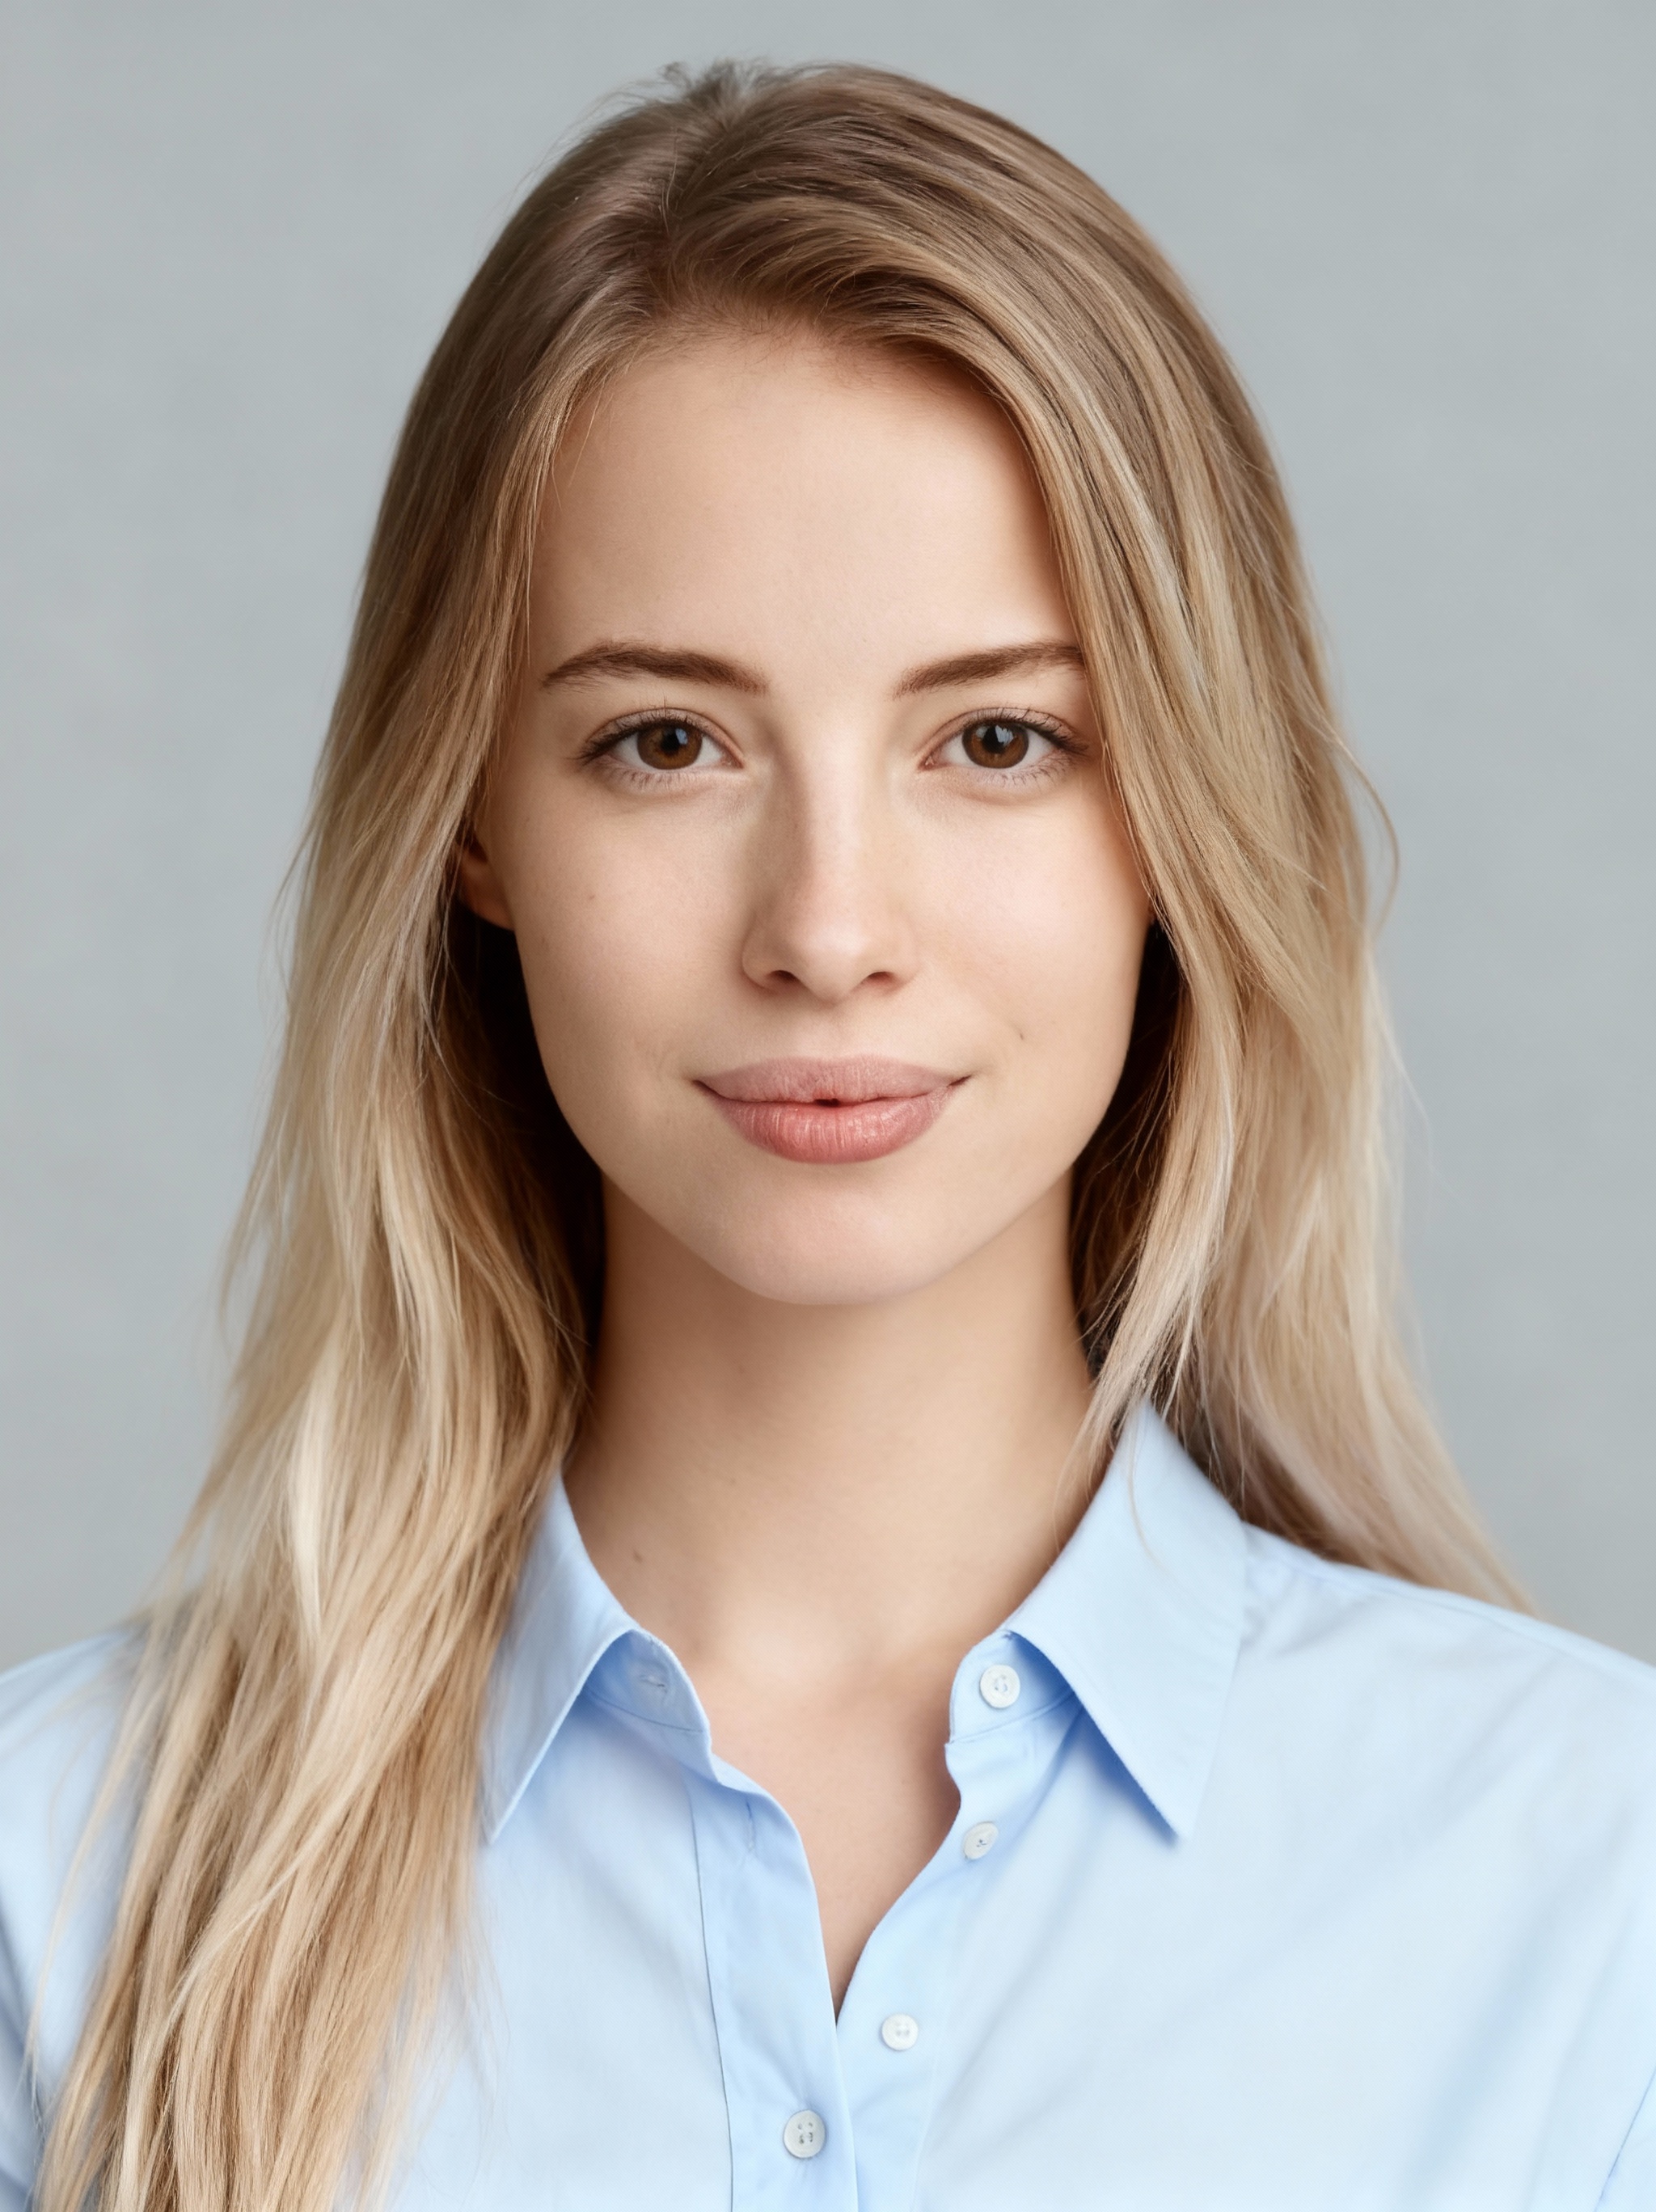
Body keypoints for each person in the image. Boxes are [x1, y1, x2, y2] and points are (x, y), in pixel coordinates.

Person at [2, 59, 1653, 2212]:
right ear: (474, 824)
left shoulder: (1587, 1888)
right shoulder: (65, 1897)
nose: (831, 930)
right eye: (666, 741)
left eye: (998, 737)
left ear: (1180, 821)